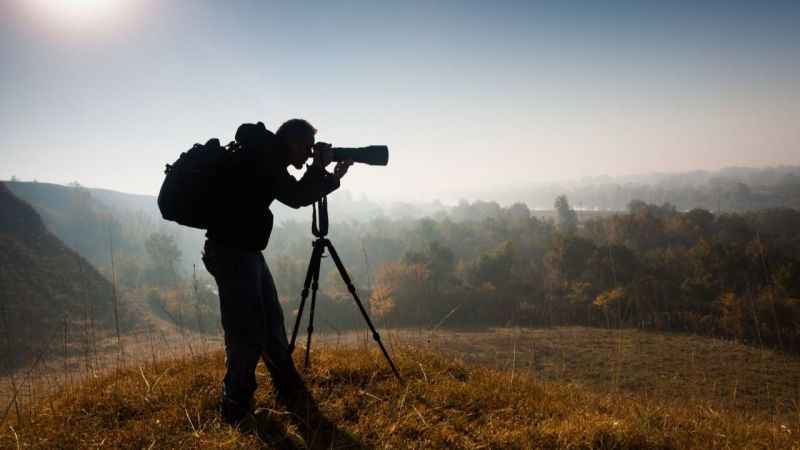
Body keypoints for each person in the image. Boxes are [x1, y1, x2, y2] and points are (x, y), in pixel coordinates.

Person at [201, 119, 353, 424]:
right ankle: (235, 405)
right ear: (293, 143)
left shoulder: (267, 157)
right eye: (307, 147)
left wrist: (328, 176)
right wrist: (323, 173)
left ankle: (290, 390)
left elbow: (294, 192)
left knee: (271, 322)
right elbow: (295, 197)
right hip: (233, 253)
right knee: (247, 331)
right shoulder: (265, 158)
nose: (309, 154)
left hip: (245, 250)